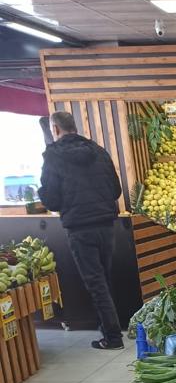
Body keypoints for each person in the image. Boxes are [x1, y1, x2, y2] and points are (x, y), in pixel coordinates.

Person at [38, 110, 124, 350]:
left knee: (96, 283)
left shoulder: (53, 156)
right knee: (104, 279)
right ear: (74, 126)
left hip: (79, 228)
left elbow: (52, 200)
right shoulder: (98, 150)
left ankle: (113, 337)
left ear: (55, 129)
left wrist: (41, 192)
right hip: (106, 225)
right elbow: (116, 189)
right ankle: (110, 329)